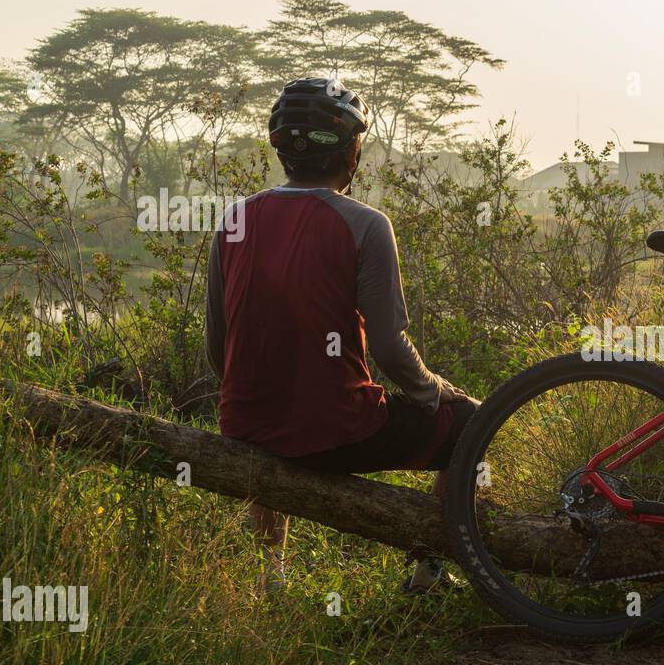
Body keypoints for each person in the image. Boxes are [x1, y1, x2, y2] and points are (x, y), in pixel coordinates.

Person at [204, 77, 477, 594]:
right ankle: (428, 570)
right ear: (353, 151)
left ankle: (270, 578)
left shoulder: (234, 221)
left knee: (275, 430)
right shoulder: (366, 224)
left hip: (244, 424)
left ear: (280, 148)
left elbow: (219, 347)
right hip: (337, 431)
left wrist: (259, 401)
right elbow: (392, 350)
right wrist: (434, 392)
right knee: (472, 423)